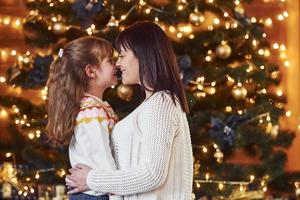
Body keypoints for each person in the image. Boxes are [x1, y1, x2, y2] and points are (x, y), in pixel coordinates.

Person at [66, 21, 194, 199]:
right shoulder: (153, 104)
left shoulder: (161, 103)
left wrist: (91, 179)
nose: (117, 64)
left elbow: (152, 174)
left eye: (122, 55)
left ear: (143, 55)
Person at [46, 36, 121, 200]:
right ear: (91, 71)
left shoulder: (90, 106)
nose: (117, 65)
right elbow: (101, 155)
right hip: (97, 193)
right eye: (110, 61)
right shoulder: (92, 111)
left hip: (91, 191)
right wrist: (117, 194)